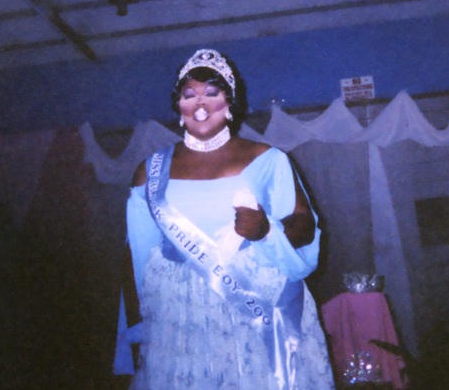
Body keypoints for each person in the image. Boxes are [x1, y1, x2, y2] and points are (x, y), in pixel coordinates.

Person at [117, 49, 334, 389]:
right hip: (182, 317)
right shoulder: (150, 171)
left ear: (229, 103)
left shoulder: (268, 158)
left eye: (212, 93)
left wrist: (265, 230)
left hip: (256, 304)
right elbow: (138, 259)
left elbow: (304, 225)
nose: (199, 104)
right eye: (189, 95)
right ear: (179, 106)